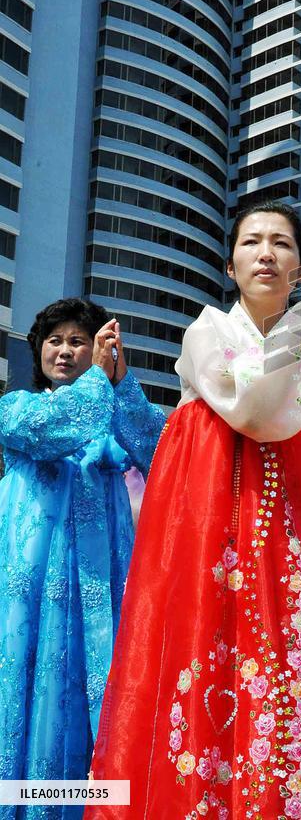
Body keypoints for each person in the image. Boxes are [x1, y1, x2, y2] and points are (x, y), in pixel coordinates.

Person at [88, 202, 301, 819]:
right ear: (233, 265)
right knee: (225, 669)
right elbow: (258, 410)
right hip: (226, 548)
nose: (266, 253)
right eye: (252, 243)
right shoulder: (210, 332)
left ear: (299, 267)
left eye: (281, 245)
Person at [0, 298, 164, 803]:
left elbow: (161, 451)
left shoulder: (109, 415)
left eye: (79, 341)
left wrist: (121, 383)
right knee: (26, 683)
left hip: (103, 584)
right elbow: (56, 430)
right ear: (38, 352)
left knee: (105, 685)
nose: (67, 351)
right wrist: (101, 377)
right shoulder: (15, 408)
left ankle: (100, 808)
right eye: (56, 341)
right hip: (27, 589)